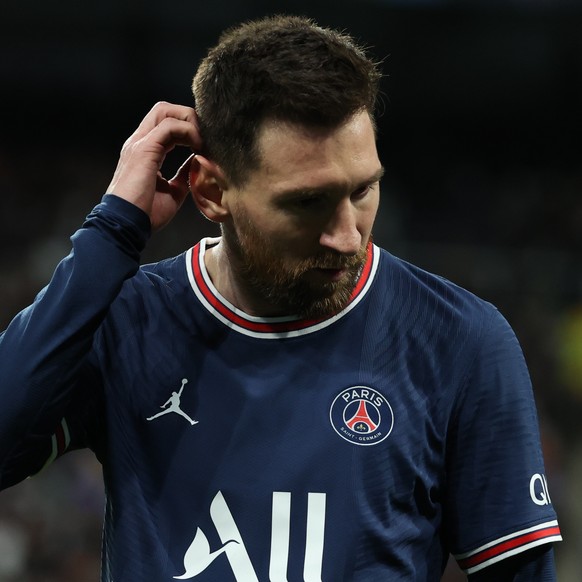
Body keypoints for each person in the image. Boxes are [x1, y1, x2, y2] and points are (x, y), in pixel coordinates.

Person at [0, 14, 561, 581]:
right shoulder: (129, 320)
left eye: (363, 189)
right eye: (307, 202)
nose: (348, 236)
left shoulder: (461, 340)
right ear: (211, 191)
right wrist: (111, 231)